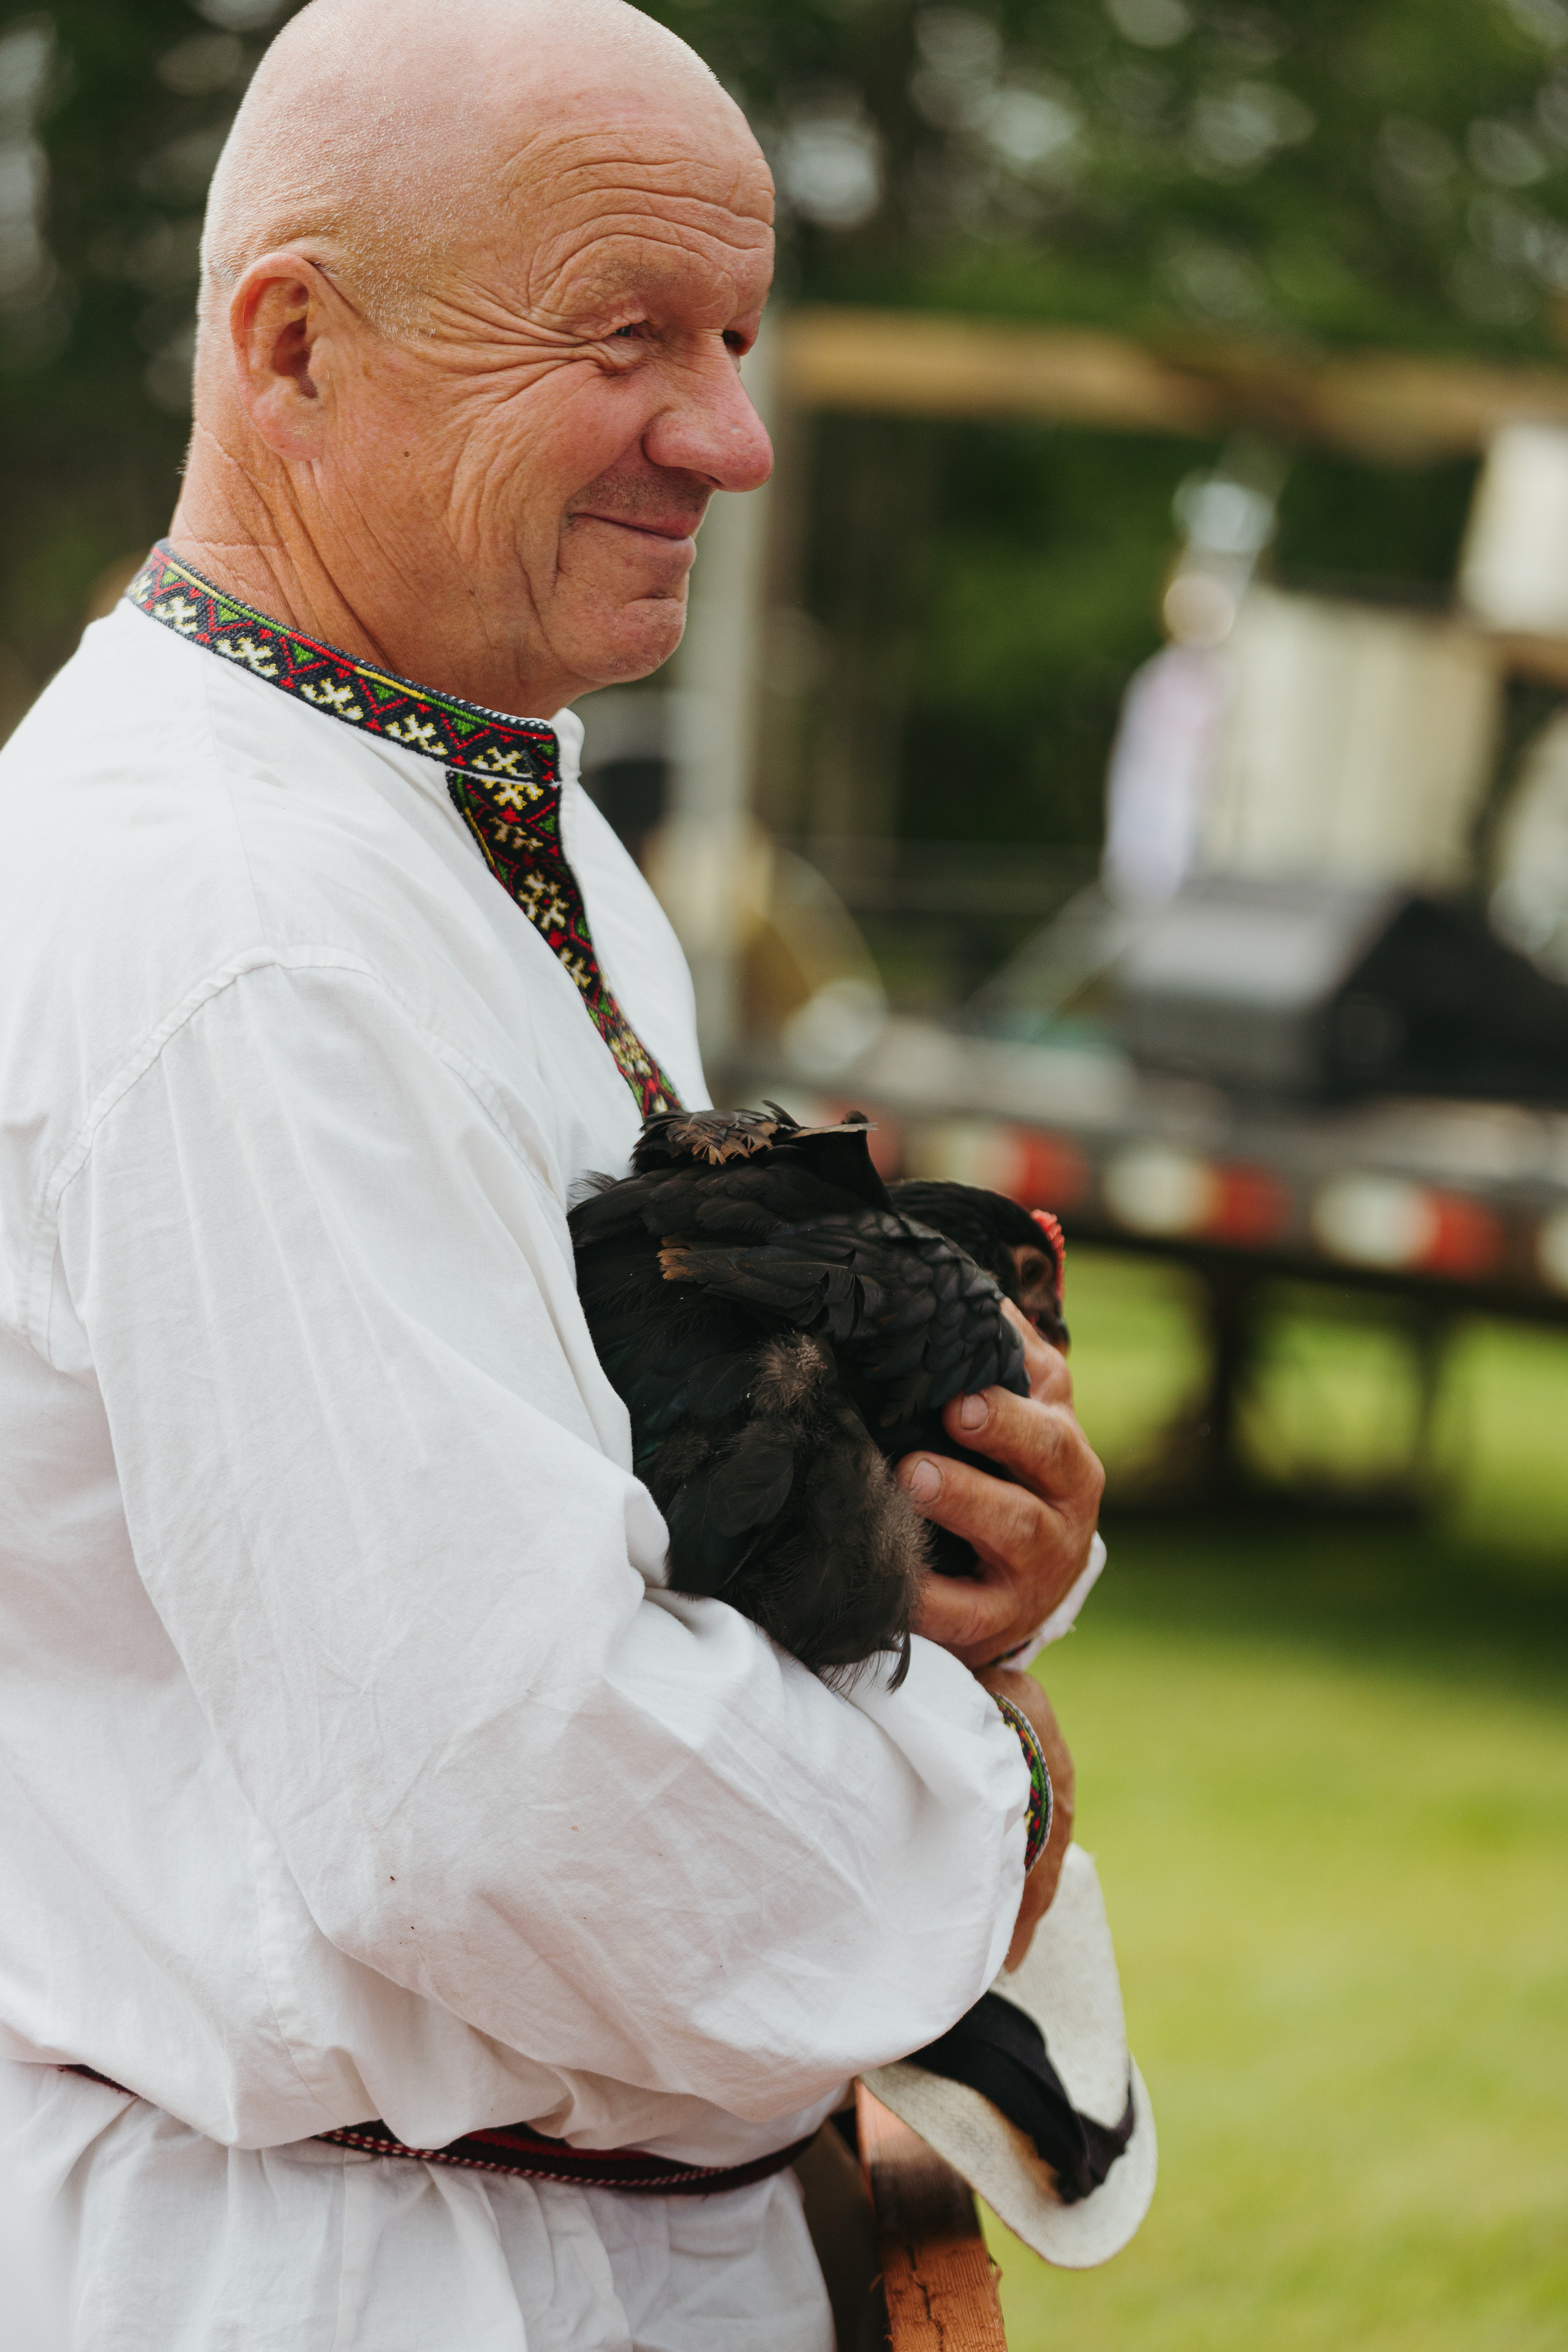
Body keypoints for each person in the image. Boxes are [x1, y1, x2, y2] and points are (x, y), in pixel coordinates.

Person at [0, 2, 1105, 2344]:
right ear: (294, 340)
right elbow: (501, 1791)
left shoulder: (489, 806)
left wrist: (932, 1525)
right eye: (627, 338)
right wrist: (974, 1787)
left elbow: (606, 1494)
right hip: (357, 2275)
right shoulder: (234, 923)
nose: (735, 437)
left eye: (737, 336)